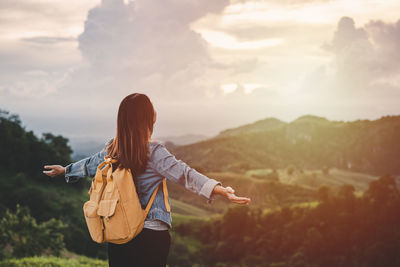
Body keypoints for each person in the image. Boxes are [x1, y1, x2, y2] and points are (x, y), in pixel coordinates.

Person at [43, 93, 251, 267]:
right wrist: (220, 190)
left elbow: (90, 164)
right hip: (151, 233)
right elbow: (184, 174)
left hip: (118, 231)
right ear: (149, 118)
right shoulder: (154, 152)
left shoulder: (113, 148)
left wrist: (65, 170)